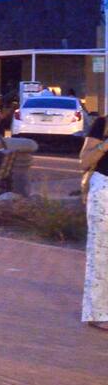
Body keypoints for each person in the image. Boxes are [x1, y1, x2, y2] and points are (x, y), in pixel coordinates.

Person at [78, 115, 108, 331]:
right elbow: (84, 161)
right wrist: (105, 145)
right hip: (105, 190)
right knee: (100, 253)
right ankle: (98, 313)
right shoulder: (103, 124)